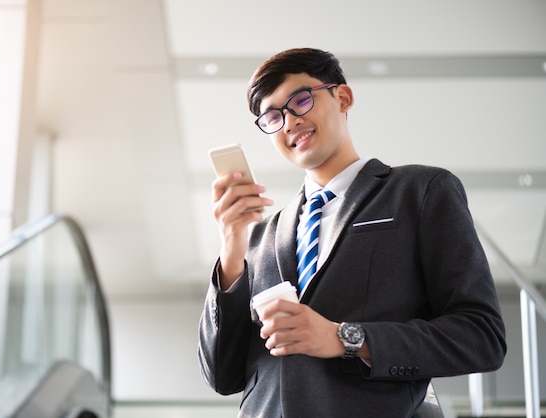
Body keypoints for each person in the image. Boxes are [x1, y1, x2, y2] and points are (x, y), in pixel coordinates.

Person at [198, 48, 506, 418]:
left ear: (342, 97)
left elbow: (481, 336)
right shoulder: (260, 236)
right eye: (273, 117)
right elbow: (221, 375)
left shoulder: (419, 191)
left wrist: (344, 338)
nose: (290, 122)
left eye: (300, 100)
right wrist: (232, 249)